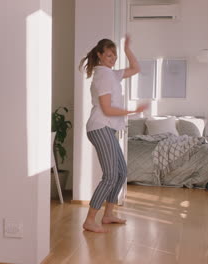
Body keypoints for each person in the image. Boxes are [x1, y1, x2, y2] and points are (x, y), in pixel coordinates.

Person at [78, 35, 148, 233]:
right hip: (100, 127)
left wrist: (126, 50)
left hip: (107, 128)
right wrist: (133, 111)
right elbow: (107, 109)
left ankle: (108, 214)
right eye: (109, 55)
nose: (113, 58)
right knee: (110, 175)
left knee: (121, 172)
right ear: (99, 55)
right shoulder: (103, 76)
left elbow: (136, 69)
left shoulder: (110, 73)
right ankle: (90, 219)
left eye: (114, 55)